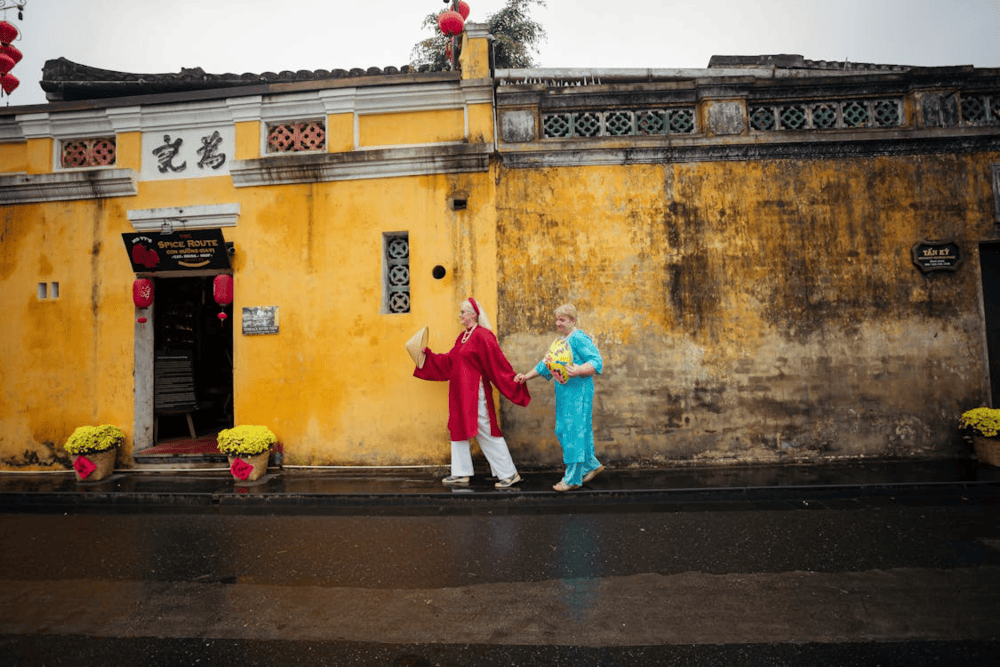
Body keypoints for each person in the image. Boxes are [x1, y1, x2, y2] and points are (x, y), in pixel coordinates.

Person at [414, 298, 530, 488]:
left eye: (463, 312)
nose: (459, 315)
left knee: (485, 429)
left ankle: (509, 473)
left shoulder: (483, 336)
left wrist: (512, 379)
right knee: (457, 428)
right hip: (459, 391)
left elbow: (497, 362)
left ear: (473, 314)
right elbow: (450, 362)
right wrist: (428, 357)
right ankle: (460, 473)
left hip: (476, 392)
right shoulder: (462, 337)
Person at [515, 304, 604, 492]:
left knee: (573, 432)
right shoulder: (561, 342)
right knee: (564, 430)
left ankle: (572, 479)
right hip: (565, 394)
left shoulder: (578, 338)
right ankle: (590, 464)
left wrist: (579, 369)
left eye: (562, 320)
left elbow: (596, 361)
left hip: (579, 393)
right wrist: (526, 376)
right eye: (557, 319)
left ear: (572, 321)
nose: (558, 323)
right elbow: (545, 364)